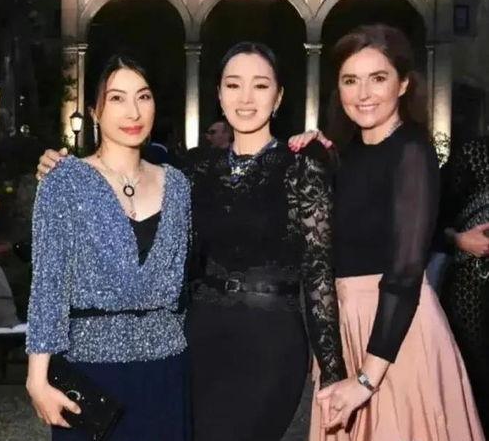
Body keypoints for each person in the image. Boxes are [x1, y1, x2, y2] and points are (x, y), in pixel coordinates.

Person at [37, 42, 345, 441]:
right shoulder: (194, 170)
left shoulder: (301, 164)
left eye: (260, 85)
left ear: (279, 96)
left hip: (270, 341)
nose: (246, 98)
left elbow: (319, 275)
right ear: (218, 94)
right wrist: (57, 165)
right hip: (200, 339)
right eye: (233, 85)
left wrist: (333, 372)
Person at [290, 24, 484, 441]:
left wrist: (366, 380)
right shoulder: (344, 155)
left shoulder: (411, 150)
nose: (363, 93)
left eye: (378, 78)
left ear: (403, 84)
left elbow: (405, 272)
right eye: (350, 80)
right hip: (347, 327)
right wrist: (317, 153)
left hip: (395, 334)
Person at [26, 55, 191, 441]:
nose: (133, 111)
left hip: (166, 373)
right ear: (94, 111)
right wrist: (37, 378)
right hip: (90, 374)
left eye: (143, 96)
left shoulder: (178, 185)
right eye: (117, 98)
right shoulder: (64, 181)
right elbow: (48, 284)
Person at [440, 136, 489, 436]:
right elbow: (431, 218)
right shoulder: (474, 153)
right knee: (474, 387)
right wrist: (460, 240)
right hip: (471, 292)